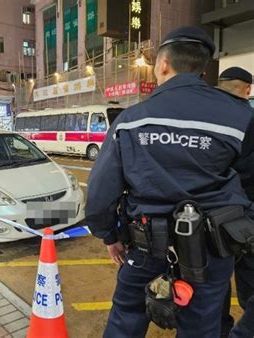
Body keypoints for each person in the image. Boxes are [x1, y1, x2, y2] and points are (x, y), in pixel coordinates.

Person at [85, 26, 254, 337]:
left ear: (163, 64)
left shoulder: (131, 119)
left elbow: (99, 192)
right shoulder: (240, 117)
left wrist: (109, 235)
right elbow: (250, 184)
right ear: (203, 68)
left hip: (146, 246)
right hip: (213, 249)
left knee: (126, 320)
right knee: (201, 327)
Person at [216, 67, 254, 338]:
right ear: (248, 89)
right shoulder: (249, 116)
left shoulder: (203, 115)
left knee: (215, 279)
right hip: (248, 214)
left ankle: (219, 328)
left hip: (209, 215)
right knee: (249, 274)